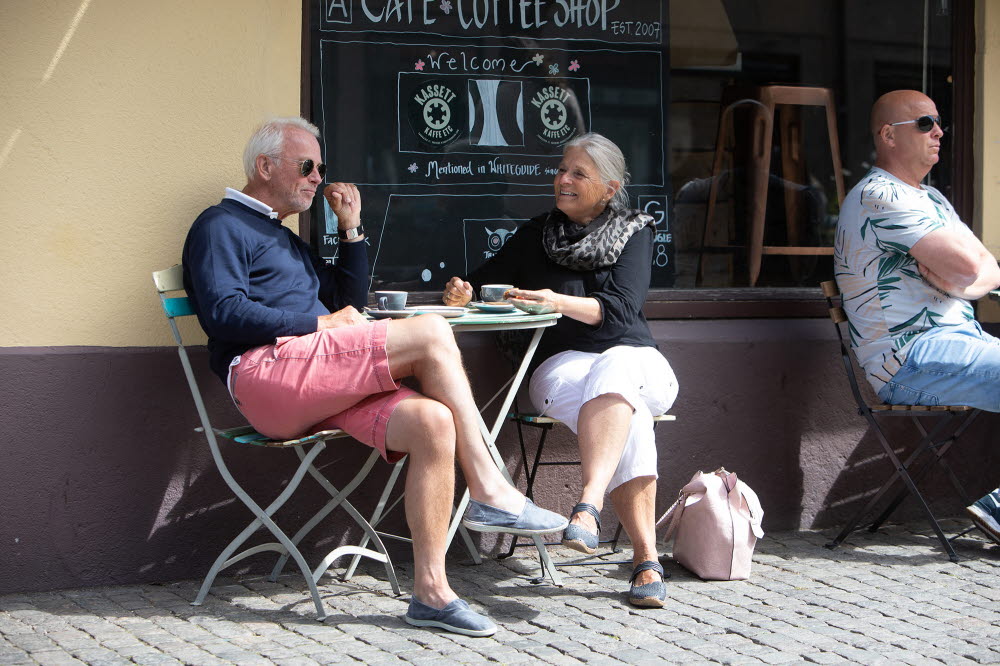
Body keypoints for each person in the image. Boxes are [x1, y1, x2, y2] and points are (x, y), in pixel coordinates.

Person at [182, 117, 566, 636]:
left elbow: (345, 301)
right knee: (430, 333)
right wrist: (316, 323)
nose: (318, 177)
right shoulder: (219, 225)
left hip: (318, 375)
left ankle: (432, 593)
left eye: (321, 167)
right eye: (307, 166)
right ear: (264, 166)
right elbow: (222, 313)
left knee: (432, 422)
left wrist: (350, 229)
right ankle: (490, 486)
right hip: (263, 377)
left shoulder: (284, 237)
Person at [442, 133, 679, 607]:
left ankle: (588, 505)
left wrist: (556, 301)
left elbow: (621, 312)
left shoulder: (636, 231)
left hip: (640, 360)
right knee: (626, 410)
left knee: (618, 366)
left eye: (578, 174)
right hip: (563, 369)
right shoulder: (537, 234)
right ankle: (645, 562)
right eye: (562, 169)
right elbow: (485, 277)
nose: (562, 180)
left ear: (610, 189)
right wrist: (461, 290)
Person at [834, 90, 1000, 544]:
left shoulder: (931, 199)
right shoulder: (878, 196)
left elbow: (988, 267)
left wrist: (955, 283)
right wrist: (965, 277)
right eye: (925, 123)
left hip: (960, 344)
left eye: (938, 123)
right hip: (910, 358)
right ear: (889, 135)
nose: (939, 132)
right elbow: (972, 267)